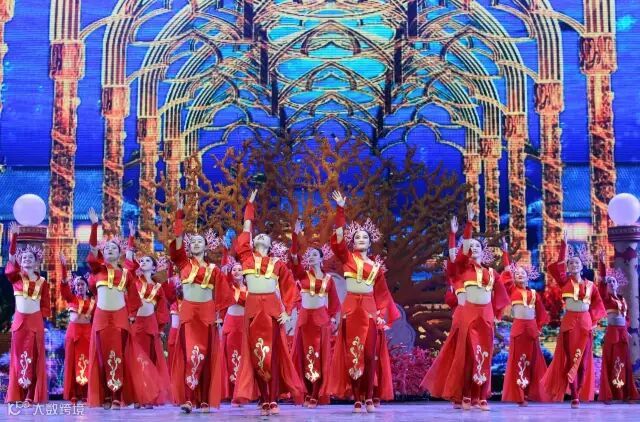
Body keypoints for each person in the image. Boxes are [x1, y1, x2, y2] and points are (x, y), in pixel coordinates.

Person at [424, 205, 509, 411]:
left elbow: (506, 284)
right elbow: (455, 258)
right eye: (472, 246)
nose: (475, 248)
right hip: (467, 314)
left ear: (484, 251)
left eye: (478, 246)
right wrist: (465, 227)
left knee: (484, 355)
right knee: (468, 354)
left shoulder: (491, 273)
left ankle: (481, 395)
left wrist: (497, 313)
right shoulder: (463, 270)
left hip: (485, 315)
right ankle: (465, 394)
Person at [232, 190, 304, 416]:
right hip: (253, 309)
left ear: (270, 245)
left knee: (273, 356)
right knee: (256, 355)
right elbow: (245, 232)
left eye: (265, 237)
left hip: (272, 311)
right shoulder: (246, 258)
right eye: (258, 236)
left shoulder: (277, 264)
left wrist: (288, 312)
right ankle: (263, 398)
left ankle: (272, 399)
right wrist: (249, 205)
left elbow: (290, 288)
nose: (260, 237)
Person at [327, 191, 397, 413]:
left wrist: (382, 315)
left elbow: (383, 295)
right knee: (353, 354)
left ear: (370, 242)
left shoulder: (376, 267)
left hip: (369, 310)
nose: (361, 240)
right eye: (357, 237)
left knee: (369, 355)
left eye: (364, 238)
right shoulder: (347, 258)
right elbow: (338, 242)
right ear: (353, 242)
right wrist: (340, 210)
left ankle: (369, 396)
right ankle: (357, 398)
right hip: (351, 310)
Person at [85, 208, 160, 409]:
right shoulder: (97, 270)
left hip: (119, 317)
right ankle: (106, 396)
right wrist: (94, 225)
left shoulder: (126, 274)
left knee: (118, 355)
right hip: (101, 318)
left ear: (119, 254)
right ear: (103, 253)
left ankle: (117, 395)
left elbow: (134, 297)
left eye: (114, 248)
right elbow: (92, 251)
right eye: (107, 248)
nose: (110, 250)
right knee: (102, 357)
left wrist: (132, 315)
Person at [168, 196, 232, 413]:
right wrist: (179, 217)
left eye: (199, 241)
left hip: (206, 313)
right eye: (193, 241)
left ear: (206, 247)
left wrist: (220, 316)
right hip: (188, 313)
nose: (195, 243)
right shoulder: (183, 263)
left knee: (205, 354)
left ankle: (204, 398)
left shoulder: (214, 270)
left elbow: (224, 295)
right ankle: (188, 399)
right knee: (190, 355)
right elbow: (177, 241)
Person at [541, 230, 606, 408]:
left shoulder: (591, 286)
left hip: (585, 324)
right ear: (568, 267)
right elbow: (558, 266)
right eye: (571, 263)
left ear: (582, 266)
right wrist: (564, 245)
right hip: (569, 323)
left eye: (576, 262)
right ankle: (574, 395)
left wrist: (593, 321)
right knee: (571, 361)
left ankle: (579, 389)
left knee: (583, 363)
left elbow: (598, 304)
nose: (573, 264)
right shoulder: (564, 281)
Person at [289, 220, 340, 408]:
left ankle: (316, 393)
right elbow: (293, 257)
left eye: (314, 255)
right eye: (309, 255)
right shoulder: (302, 275)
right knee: (304, 355)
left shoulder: (328, 279)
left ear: (321, 259)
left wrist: (332, 318)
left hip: (321, 320)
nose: (310, 257)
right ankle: (306, 392)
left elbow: (334, 302)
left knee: (319, 356)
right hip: (305, 320)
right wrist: (295, 236)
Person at [125, 224, 172, 408]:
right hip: (136, 323)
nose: (143, 262)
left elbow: (162, 311)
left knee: (150, 359)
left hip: (151, 325)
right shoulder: (134, 281)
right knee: (137, 360)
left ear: (153, 267)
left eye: (147, 261)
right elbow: (129, 264)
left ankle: (149, 396)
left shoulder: (159, 287)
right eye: (142, 260)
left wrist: (160, 328)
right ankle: (138, 397)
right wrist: (131, 237)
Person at [4, 222, 50, 405]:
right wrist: (14, 237)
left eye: (31, 257)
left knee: (34, 357)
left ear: (36, 262)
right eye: (24, 258)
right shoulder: (16, 277)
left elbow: (45, 305)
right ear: (20, 261)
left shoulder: (42, 281)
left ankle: (31, 394)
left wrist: (43, 323)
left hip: (35, 322)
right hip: (19, 323)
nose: (27, 260)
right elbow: (11, 258)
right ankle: (18, 394)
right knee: (18, 357)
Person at [420, 216, 463, 408]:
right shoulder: (456, 278)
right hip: (461, 320)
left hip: (479, 320)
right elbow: (453, 258)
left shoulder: (483, 275)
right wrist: (452, 235)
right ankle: (456, 393)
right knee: (457, 357)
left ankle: (475, 394)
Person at [500, 240, 550, 406]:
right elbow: (507, 274)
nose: (519, 275)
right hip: (519, 330)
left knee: (532, 362)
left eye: (522, 273)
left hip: (531, 331)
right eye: (517, 274)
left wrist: (539, 328)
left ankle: (529, 393)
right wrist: (505, 253)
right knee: (518, 361)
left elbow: (542, 314)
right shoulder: (512, 290)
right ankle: (519, 394)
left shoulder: (534, 294)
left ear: (528, 277)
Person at [596, 251, 639, 403]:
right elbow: (601, 282)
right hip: (612, 333)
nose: (611, 283)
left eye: (614, 281)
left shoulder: (621, 299)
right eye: (609, 282)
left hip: (622, 334)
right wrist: (602, 263)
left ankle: (625, 393)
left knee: (624, 362)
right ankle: (612, 393)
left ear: (617, 284)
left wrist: (627, 331)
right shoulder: (606, 298)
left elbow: (626, 318)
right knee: (613, 361)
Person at [59, 254, 94, 404]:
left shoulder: (93, 301)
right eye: (77, 285)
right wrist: (64, 267)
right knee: (72, 362)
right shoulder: (71, 298)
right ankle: (73, 393)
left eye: (82, 284)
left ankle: (86, 392)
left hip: (88, 333)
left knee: (87, 361)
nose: (80, 287)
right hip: (73, 333)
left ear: (87, 286)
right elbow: (64, 287)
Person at [219, 251, 247, 405]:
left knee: (244, 357)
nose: (236, 271)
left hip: (244, 325)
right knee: (231, 357)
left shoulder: (250, 288)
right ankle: (231, 391)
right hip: (230, 324)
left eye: (239, 269)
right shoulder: (228, 288)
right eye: (234, 269)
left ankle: (243, 391)